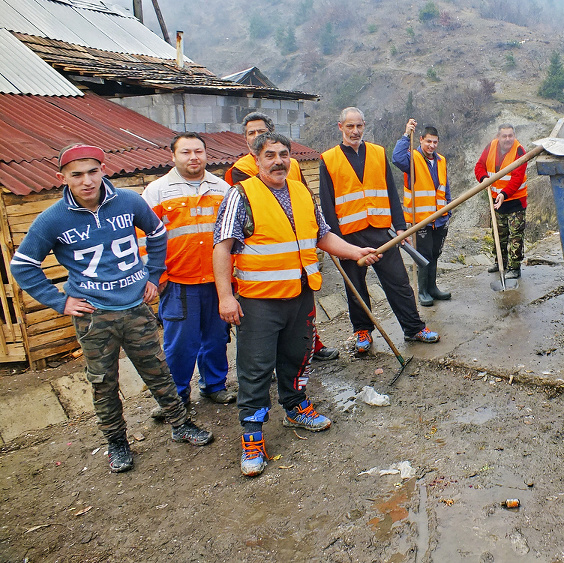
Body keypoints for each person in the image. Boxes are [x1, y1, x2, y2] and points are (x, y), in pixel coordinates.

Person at [11, 144, 213, 473]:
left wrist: (152, 274)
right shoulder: (52, 219)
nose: (86, 180)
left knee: (157, 370)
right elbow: (23, 266)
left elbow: (158, 232)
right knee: (103, 382)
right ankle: (117, 442)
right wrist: (60, 301)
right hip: (94, 316)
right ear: (61, 177)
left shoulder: (129, 201)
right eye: (76, 174)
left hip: (135, 307)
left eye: (93, 171)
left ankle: (180, 423)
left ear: (104, 168)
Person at [213, 132, 381, 477]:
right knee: (256, 369)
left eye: (284, 154)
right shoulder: (241, 195)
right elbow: (222, 247)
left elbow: (322, 235)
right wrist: (226, 297)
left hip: (300, 294)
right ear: (256, 160)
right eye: (270, 155)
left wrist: (355, 252)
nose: (279, 161)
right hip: (259, 302)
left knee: (297, 357)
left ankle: (295, 408)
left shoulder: (302, 192)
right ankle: (252, 435)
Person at [320, 107, 439, 354]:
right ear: (340, 127)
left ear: (364, 126)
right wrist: (337, 242)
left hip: (381, 230)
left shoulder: (377, 152)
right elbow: (327, 203)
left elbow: (391, 193)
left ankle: (413, 327)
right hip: (349, 237)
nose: (355, 131)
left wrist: (399, 227)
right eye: (350, 126)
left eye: (359, 126)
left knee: (399, 282)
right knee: (356, 287)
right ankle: (362, 330)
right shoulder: (328, 159)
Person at [225, 112, 339, 362]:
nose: (257, 136)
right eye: (251, 133)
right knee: (264, 345)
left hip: (299, 267)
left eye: (261, 131)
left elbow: (303, 201)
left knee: (301, 328)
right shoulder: (240, 174)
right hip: (264, 278)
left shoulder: (293, 165)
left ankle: (310, 350)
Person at [142, 132, 235, 420]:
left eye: (198, 151)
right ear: (173, 157)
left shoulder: (223, 188)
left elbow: (234, 233)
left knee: (216, 337)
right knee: (180, 342)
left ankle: (214, 386)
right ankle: (177, 394)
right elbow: (142, 236)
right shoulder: (157, 191)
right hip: (179, 280)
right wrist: (156, 274)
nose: (193, 157)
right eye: (186, 152)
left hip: (217, 281)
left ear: (207, 155)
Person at [391, 119, 451, 306]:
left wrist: (448, 209)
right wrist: (405, 134)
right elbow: (396, 158)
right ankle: (423, 291)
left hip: (439, 218)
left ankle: (432, 288)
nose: (431, 145)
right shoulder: (412, 158)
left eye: (435, 142)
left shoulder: (441, 160)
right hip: (421, 219)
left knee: (434, 254)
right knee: (423, 256)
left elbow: (445, 186)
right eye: (428, 141)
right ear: (421, 140)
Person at [474, 124, 528, 279]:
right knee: (498, 234)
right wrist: (484, 179)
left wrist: (504, 194)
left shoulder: (519, 151)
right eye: (504, 136)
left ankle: (514, 268)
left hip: (515, 201)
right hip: (496, 202)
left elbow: (517, 179)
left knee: (515, 237)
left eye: (510, 135)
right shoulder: (490, 147)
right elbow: (479, 166)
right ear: (498, 136)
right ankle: (500, 263)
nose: (508, 139)